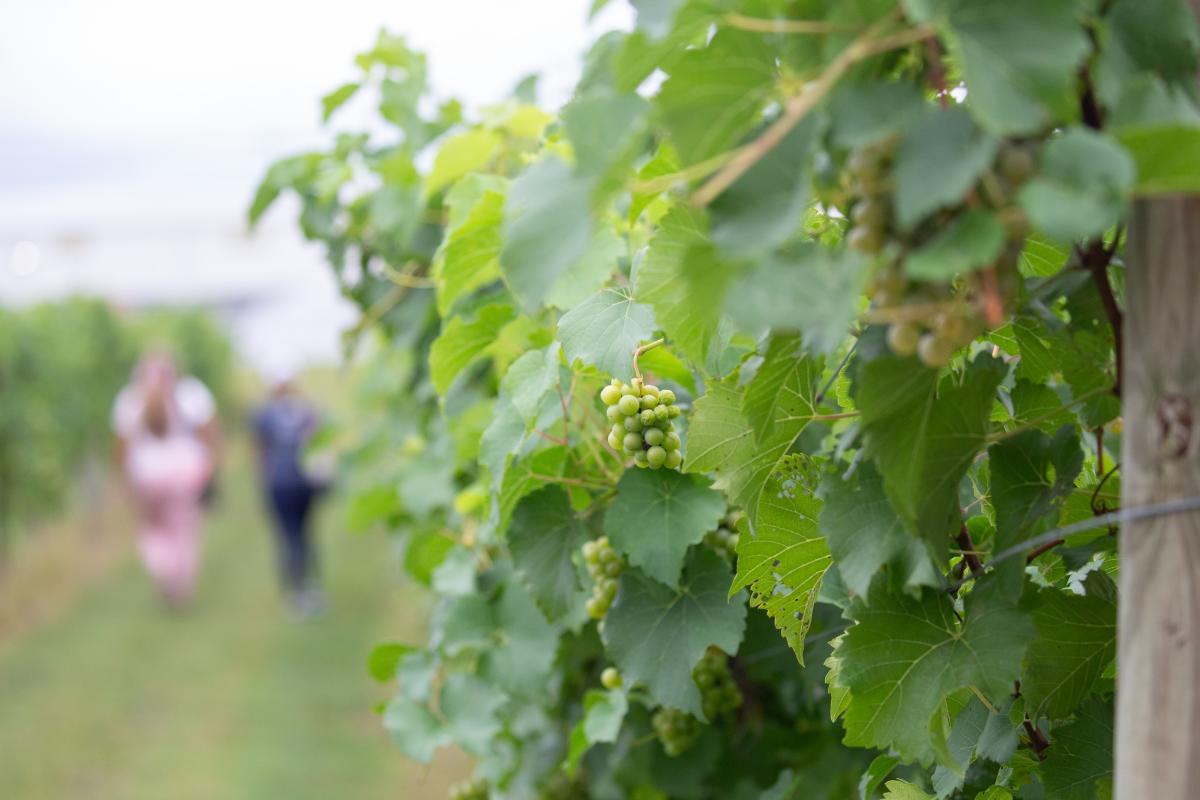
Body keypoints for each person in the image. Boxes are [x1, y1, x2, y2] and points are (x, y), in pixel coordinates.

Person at [112, 352, 219, 608]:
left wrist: (123, 482)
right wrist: (211, 468)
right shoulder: (190, 394)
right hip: (185, 475)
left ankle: (165, 572)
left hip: (147, 477)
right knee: (184, 532)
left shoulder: (129, 400)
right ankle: (180, 583)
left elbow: (122, 447)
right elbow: (208, 433)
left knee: (153, 531)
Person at [252, 369, 325, 617]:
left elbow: (260, 453)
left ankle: (296, 593)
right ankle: (308, 589)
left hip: (281, 484)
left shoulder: (265, 415)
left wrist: (262, 483)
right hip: (304, 483)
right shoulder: (307, 410)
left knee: (288, 537)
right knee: (304, 535)